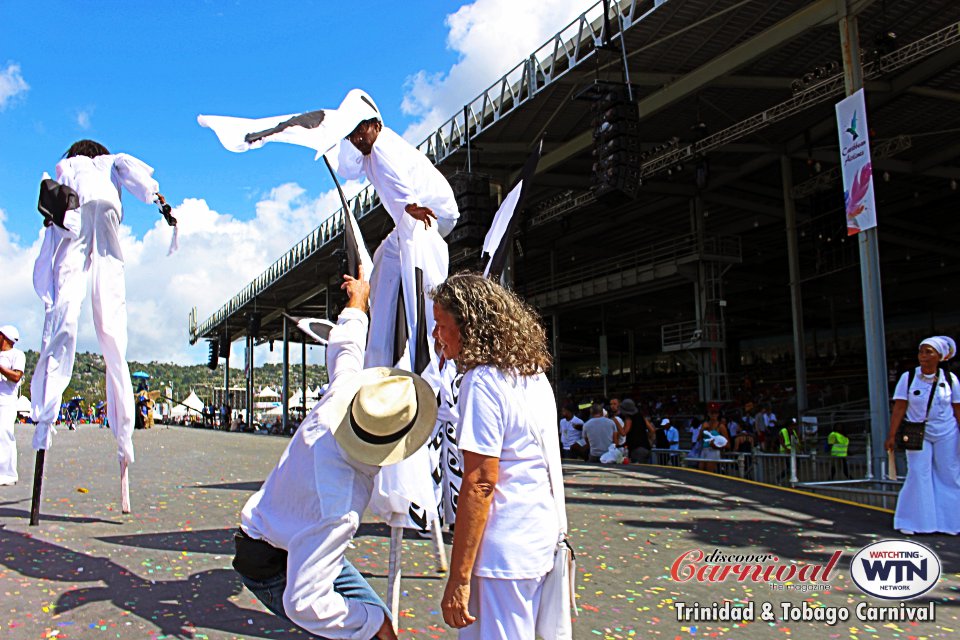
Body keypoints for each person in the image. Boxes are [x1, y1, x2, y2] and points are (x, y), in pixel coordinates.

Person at [233, 265, 436, 639]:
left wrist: (358, 299)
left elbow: (346, 349)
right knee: (376, 628)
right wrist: (366, 625)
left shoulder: (341, 404)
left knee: (379, 623)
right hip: (270, 561)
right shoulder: (340, 503)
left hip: (279, 531)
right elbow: (304, 601)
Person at [433, 273, 567, 639]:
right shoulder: (534, 376)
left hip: (502, 556)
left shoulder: (482, 382)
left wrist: (458, 578)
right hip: (538, 540)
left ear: (468, 326)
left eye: (441, 325)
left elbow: (479, 483)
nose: (436, 337)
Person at [30, 140, 169, 470]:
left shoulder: (70, 165)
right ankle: (124, 437)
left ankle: (45, 419)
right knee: (111, 325)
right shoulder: (112, 161)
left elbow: (55, 200)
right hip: (106, 214)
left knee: (63, 314)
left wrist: (50, 218)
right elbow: (137, 177)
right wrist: (157, 198)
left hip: (75, 220)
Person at [885, 336, 960, 535]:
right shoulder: (908, 377)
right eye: (921, 351)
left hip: (947, 432)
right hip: (918, 431)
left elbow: (957, 408)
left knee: (949, 474)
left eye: (929, 352)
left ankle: (950, 523)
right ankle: (913, 522)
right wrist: (891, 435)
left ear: (940, 357)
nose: (923, 356)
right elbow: (900, 407)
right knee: (918, 473)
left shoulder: (951, 380)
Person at [0, 325, 26, 486]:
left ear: (4, 337)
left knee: (4, 435)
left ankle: (8, 474)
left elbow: (16, 376)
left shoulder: (17, 355)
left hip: (6, 401)